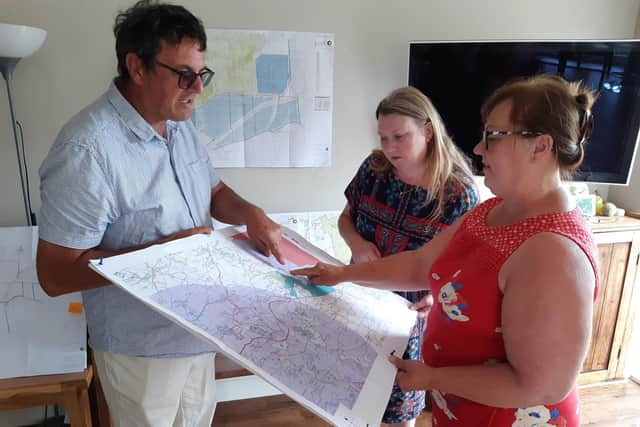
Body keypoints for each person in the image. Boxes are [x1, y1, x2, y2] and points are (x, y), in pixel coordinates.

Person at [293, 74, 598, 426]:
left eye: (493, 137)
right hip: (462, 411)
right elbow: (420, 264)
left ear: (540, 147)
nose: (479, 149)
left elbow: (541, 386)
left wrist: (430, 378)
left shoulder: (553, 251)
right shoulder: (494, 210)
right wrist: (342, 274)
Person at [36, 1, 283, 426]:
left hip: (198, 329)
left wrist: (249, 212)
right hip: (140, 348)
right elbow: (55, 275)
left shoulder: (179, 125)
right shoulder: (86, 150)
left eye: (201, 75)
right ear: (136, 67)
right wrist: (163, 254)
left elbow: (214, 190)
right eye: (184, 75)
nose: (198, 89)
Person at [339, 86, 477, 426]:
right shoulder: (373, 170)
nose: (388, 148)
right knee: (347, 401)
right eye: (383, 138)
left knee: (397, 410)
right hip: (358, 297)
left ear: (428, 131)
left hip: (409, 319)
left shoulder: (457, 194)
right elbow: (345, 219)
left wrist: (436, 293)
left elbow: (465, 267)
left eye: (399, 137)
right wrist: (356, 243)